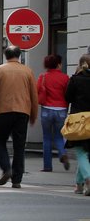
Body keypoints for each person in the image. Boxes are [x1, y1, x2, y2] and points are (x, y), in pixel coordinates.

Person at [0, 46, 38, 188]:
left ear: (5, 56)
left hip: (3, 111)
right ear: (19, 55)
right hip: (22, 112)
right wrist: (34, 114)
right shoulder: (28, 71)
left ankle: (6, 168)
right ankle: (17, 179)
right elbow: (34, 95)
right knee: (19, 146)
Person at [37, 54, 70, 172]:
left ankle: (47, 166)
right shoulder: (65, 78)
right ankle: (62, 153)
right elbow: (68, 94)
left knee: (46, 137)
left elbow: (37, 91)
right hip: (61, 110)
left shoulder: (43, 77)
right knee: (59, 136)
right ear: (58, 64)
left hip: (46, 109)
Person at [65, 54, 90, 195]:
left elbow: (67, 97)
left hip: (79, 119)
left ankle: (88, 178)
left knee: (80, 150)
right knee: (87, 151)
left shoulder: (75, 79)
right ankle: (79, 185)